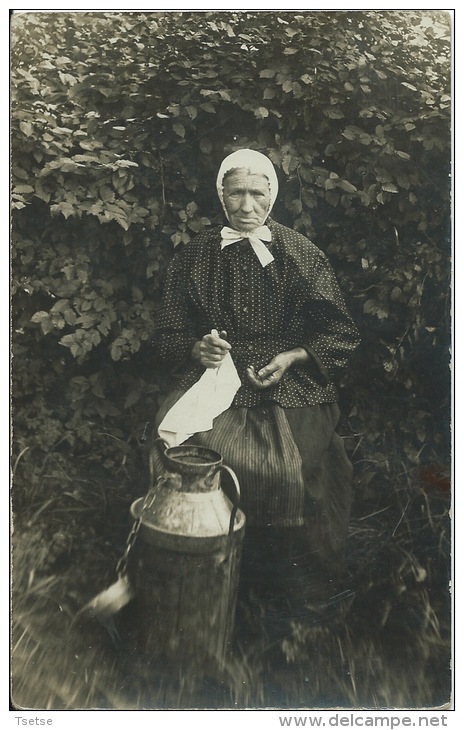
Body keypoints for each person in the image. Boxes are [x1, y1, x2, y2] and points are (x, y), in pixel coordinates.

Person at [152, 149, 360, 613]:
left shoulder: (300, 253)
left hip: (290, 383)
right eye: (236, 193)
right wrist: (195, 348)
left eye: (257, 194)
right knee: (188, 450)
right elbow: (166, 333)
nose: (246, 206)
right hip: (214, 378)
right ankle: (198, 584)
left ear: (273, 197)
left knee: (293, 468)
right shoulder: (195, 256)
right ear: (221, 195)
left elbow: (340, 333)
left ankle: (293, 595)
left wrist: (292, 355)